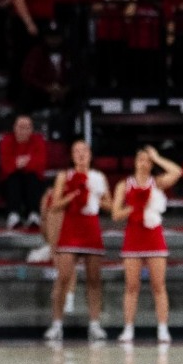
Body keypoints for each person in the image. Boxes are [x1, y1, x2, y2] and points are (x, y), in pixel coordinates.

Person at [111, 147, 181, 344]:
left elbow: (177, 172)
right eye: (140, 159)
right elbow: (115, 214)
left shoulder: (156, 183)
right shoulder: (124, 185)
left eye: (147, 161)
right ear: (135, 162)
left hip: (153, 236)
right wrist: (135, 207)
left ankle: (163, 328)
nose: (144, 163)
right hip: (133, 235)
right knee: (131, 286)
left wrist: (158, 157)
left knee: (158, 285)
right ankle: (128, 328)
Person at [44, 141, 109, 341]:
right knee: (63, 278)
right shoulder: (65, 176)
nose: (81, 155)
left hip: (91, 226)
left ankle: (95, 324)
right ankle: (56, 324)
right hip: (71, 226)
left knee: (94, 280)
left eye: (84, 151)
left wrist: (93, 197)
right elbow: (54, 206)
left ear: (90, 154)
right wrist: (72, 195)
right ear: (72, 156)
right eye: (76, 151)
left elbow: (110, 204)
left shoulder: (99, 177)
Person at [0, 115, 49, 230]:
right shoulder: (7, 140)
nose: (23, 131)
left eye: (27, 127)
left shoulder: (38, 140)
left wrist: (17, 163)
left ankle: (34, 215)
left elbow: (40, 163)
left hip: (33, 181)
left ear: (31, 129)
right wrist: (25, 162)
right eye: (20, 127)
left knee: (32, 177)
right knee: (14, 178)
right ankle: (13, 215)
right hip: (10, 182)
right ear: (14, 128)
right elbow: (6, 166)